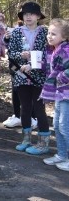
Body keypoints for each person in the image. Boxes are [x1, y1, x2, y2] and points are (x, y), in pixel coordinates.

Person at [8, 1, 50, 155]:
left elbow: (48, 53)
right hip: (21, 75)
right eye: (25, 14)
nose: (28, 17)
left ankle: (43, 142)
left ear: (38, 16)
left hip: (39, 75)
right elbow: (11, 54)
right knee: (24, 107)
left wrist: (33, 59)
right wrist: (20, 55)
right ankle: (26, 139)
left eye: (32, 14)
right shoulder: (17, 32)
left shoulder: (45, 32)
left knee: (39, 108)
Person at [40, 19, 69, 170]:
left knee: (65, 125)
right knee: (57, 125)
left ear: (64, 37)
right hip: (60, 93)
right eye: (49, 33)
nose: (49, 36)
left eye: (54, 34)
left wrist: (61, 77)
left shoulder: (66, 50)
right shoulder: (52, 50)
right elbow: (46, 67)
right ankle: (62, 154)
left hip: (67, 93)